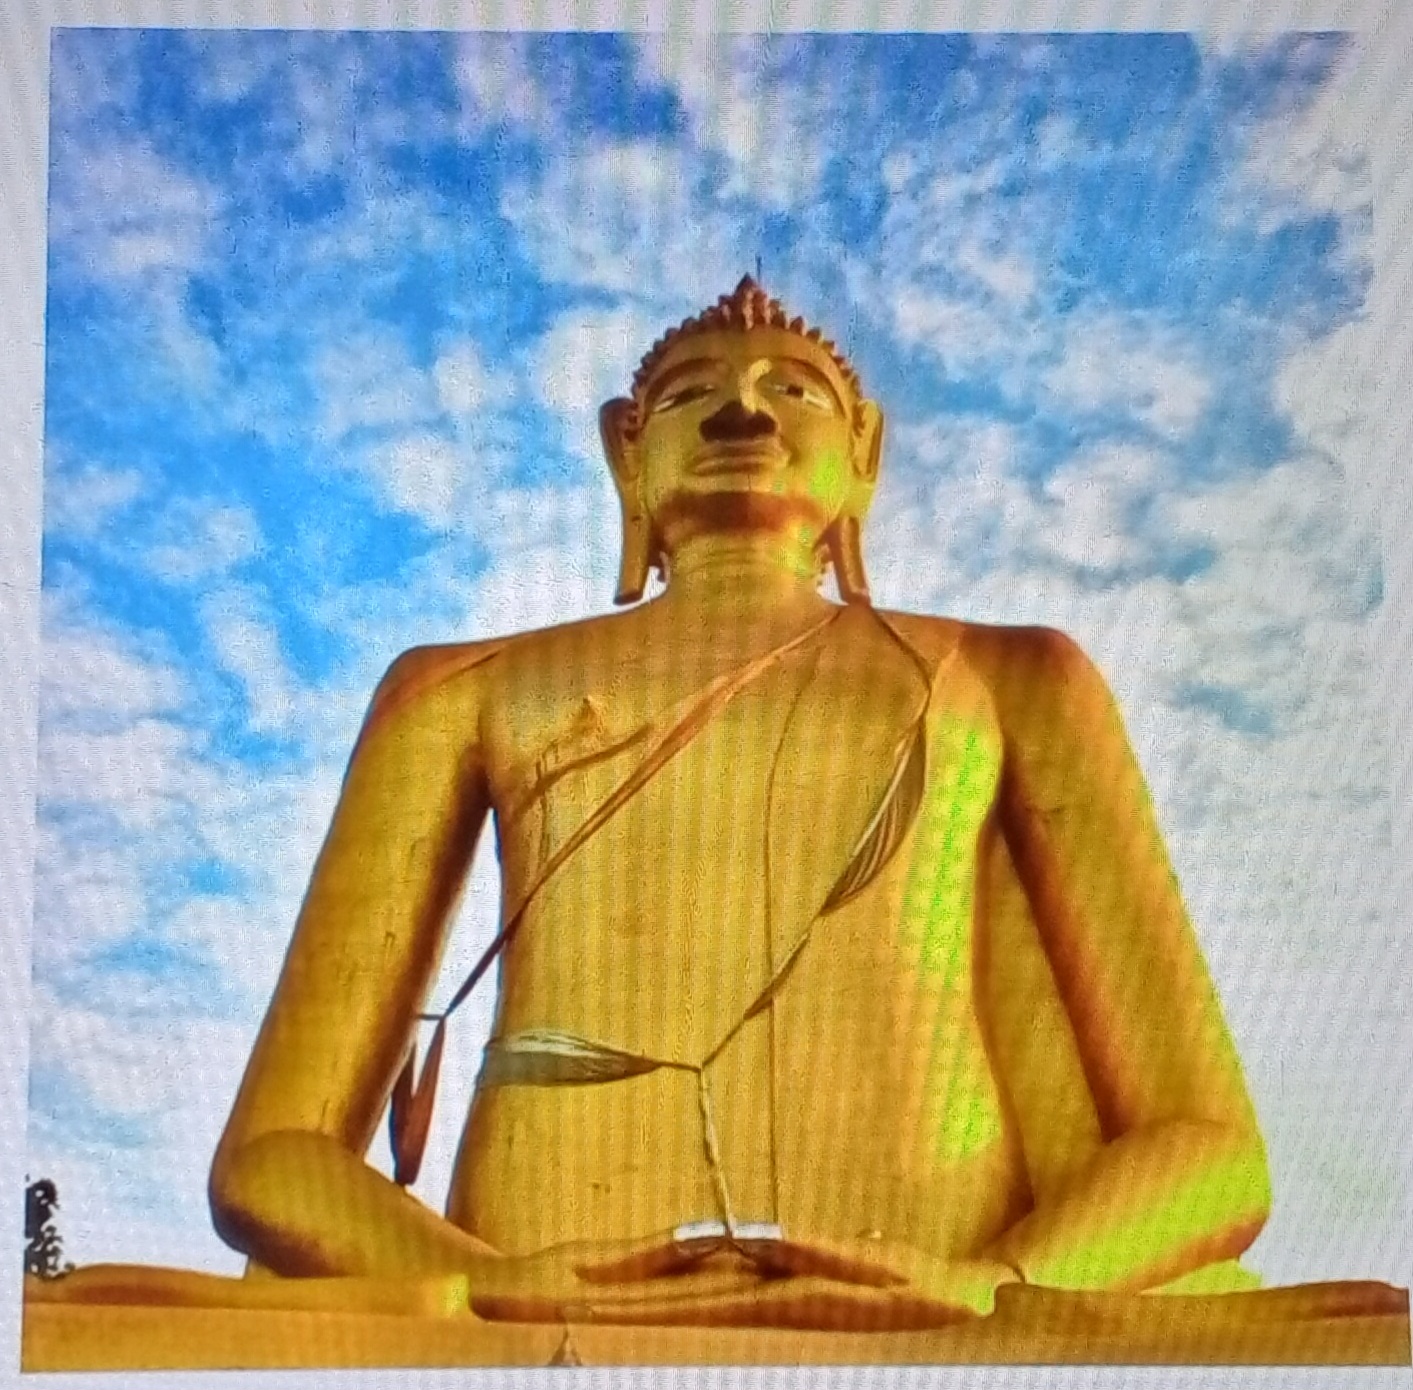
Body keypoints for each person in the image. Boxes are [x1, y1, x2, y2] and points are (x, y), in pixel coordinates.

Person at [205, 277, 1272, 1328]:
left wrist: (1001, 1285)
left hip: (947, 1313)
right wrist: (476, 1283)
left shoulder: (1013, 677)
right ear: (626, 454)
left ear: (864, 451)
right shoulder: (461, 689)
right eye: (687, 395)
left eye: (793, 390)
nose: (741, 413)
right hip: (541, 1318)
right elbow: (273, 1156)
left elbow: (1209, 1146)